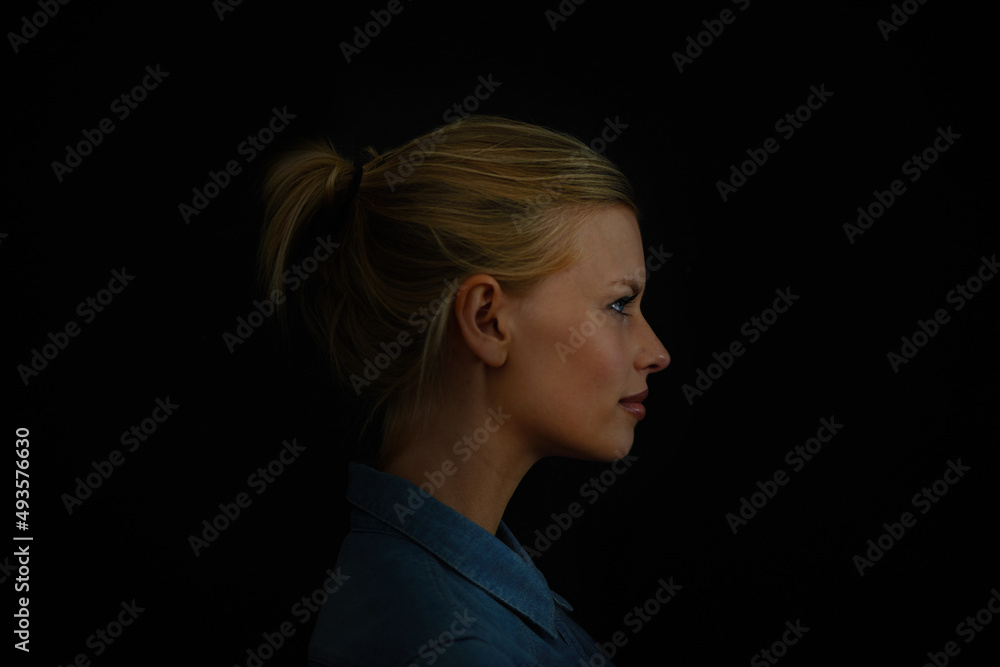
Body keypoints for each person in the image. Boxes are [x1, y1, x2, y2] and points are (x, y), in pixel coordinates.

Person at [259, 114, 670, 666]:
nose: (658, 352)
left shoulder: (464, 597)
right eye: (619, 305)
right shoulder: (451, 648)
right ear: (486, 319)